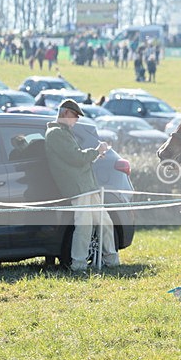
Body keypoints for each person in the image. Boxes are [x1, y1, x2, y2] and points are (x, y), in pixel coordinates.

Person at [44, 99, 119, 273]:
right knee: (84, 227)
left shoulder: (63, 132)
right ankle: (78, 264)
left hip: (86, 185)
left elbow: (76, 158)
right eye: (74, 115)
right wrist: (97, 151)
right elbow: (76, 157)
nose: (76, 119)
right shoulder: (56, 133)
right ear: (65, 113)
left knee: (105, 223)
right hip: (78, 187)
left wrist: (94, 154)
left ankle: (112, 261)